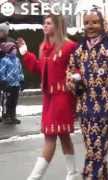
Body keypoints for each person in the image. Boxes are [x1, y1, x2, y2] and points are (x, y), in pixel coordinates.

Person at [66, 9, 108, 180]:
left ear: (102, 23)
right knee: (91, 145)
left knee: (98, 145)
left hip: (106, 102)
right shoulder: (79, 46)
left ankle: (90, 176)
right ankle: (101, 175)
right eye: (87, 22)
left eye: (94, 22)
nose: (91, 26)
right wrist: (74, 82)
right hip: (84, 103)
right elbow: (71, 68)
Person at [17, 14, 80, 180]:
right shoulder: (43, 47)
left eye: (48, 23)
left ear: (58, 26)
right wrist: (25, 54)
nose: (45, 26)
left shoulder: (69, 46)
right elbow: (39, 69)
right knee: (63, 135)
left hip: (63, 96)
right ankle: (72, 173)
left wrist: (76, 76)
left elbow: (79, 67)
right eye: (44, 23)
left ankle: (35, 177)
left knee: (51, 135)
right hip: (49, 97)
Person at [0, 42, 24, 124]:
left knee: (14, 101)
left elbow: (20, 71)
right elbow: (1, 72)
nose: (16, 50)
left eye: (16, 49)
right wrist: (4, 83)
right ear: (9, 50)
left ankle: (13, 116)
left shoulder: (17, 60)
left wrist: (21, 81)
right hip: (8, 85)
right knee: (7, 101)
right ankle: (6, 116)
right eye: (14, 49)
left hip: (16, 85)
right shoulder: (4, 60)